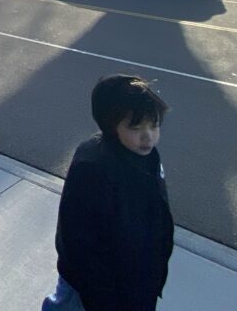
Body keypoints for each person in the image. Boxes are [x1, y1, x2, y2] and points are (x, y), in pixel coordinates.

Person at [43, 75, 173, 311]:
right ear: (111, 126)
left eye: (154, 125)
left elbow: (158, 215)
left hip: (137, 283)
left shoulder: (147, 156)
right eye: (136, 128)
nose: (148, 136)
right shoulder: (92, 167)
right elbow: (76, 244)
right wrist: (104, 300)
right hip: (91, 293)